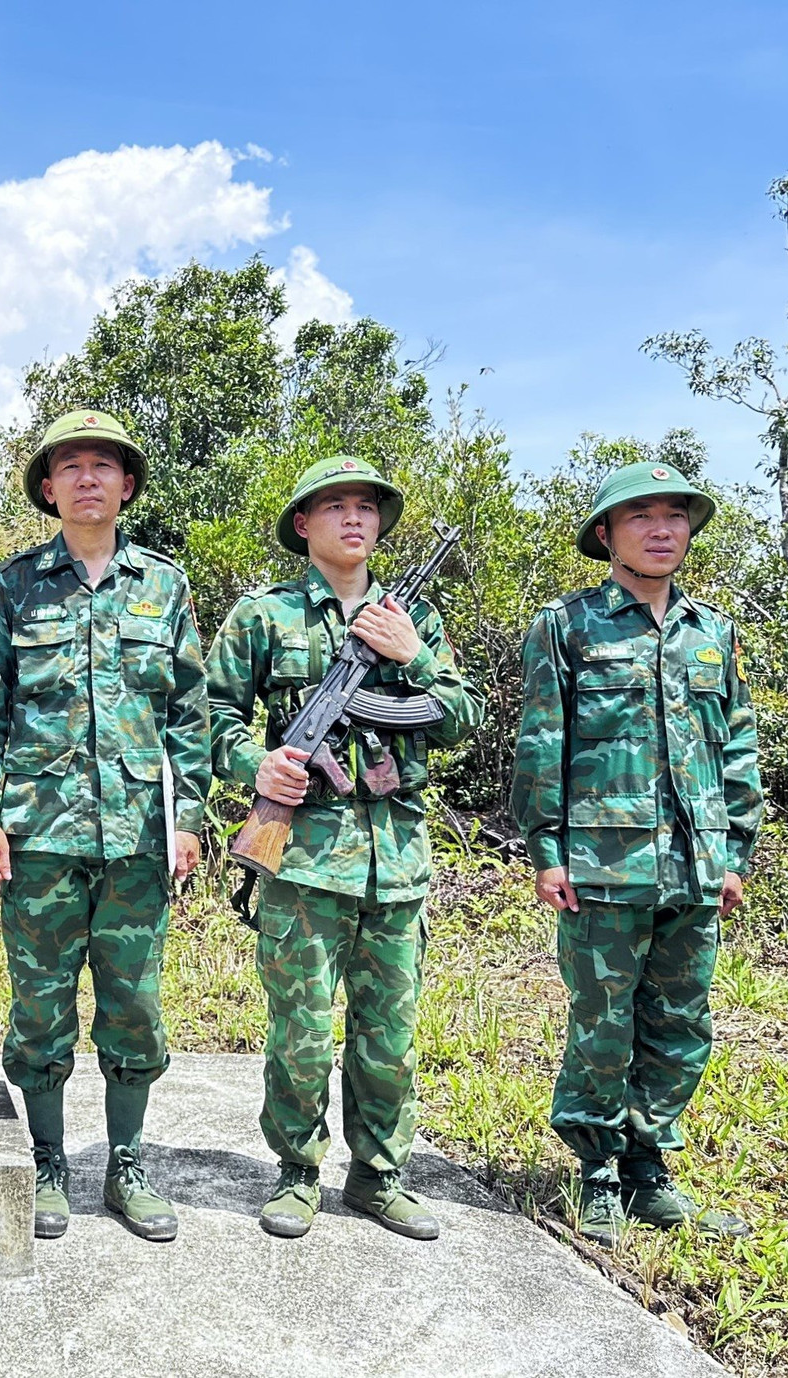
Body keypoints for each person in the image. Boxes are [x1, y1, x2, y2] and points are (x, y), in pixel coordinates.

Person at [205, 455, 483, 1241]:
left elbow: (464, 715)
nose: (354, 519)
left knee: (388, 1035)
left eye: (366, 507)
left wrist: (412, 657)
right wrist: (252, 765)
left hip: (395, 860)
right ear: (304, 524)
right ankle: (296, 1172)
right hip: (302, 858)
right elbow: (208, 716)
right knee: (299, 1029)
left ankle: (378, 1176)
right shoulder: (265, 615)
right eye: (334, 507)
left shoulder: (412, 619)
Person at [0, 408, 211, 1243]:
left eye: (104, 466)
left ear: (127, 485)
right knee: (40, 1007)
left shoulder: (164, 586)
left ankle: (127, 1162)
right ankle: (48, 1158)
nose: (88, 478)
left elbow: (189, 715)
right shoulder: (14, 585)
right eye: (71, 467)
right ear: (48, 487)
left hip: (138, 837)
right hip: (40, 837)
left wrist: (190, 818)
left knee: (133, 1006)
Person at [511, 461, 763, 1247]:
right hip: (601, 864)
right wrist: (547, 851)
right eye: (641, 517)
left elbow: (739, 749)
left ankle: (650, 1171)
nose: (662, 530)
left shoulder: (712, 631)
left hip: (694, 865)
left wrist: (734, 853)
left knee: (682, 1021)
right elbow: (541, 745)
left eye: (675, 516)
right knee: (603, 1022)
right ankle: (595, 1173)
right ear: (606, 534)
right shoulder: (567, 625)